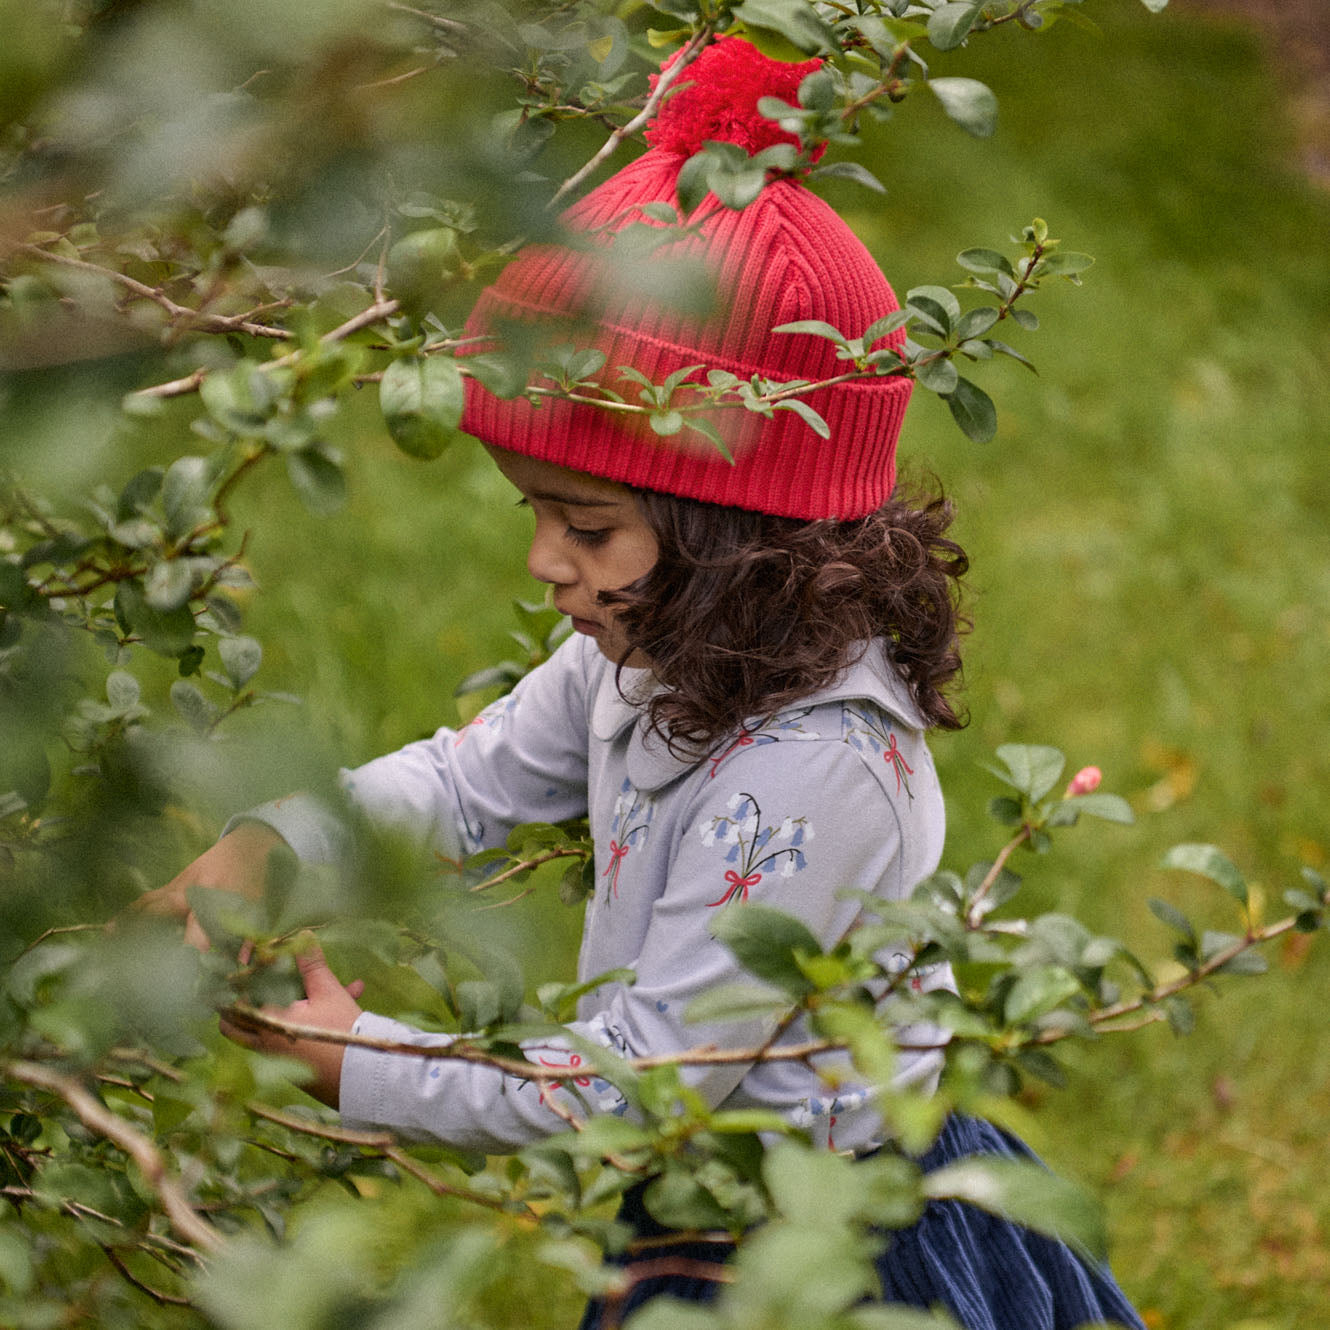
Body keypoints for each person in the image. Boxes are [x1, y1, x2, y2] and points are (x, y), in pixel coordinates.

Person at [146, 37, 1145, 1330]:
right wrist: (273, 844)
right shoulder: (651, 649)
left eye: (585, 525)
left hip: (822, 1245)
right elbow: (467, 778)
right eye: (538, 513)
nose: (542, 561)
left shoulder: (817, 769)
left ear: (739, 534)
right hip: (703, 1193)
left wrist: (362, 1060)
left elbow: (628, 1084)